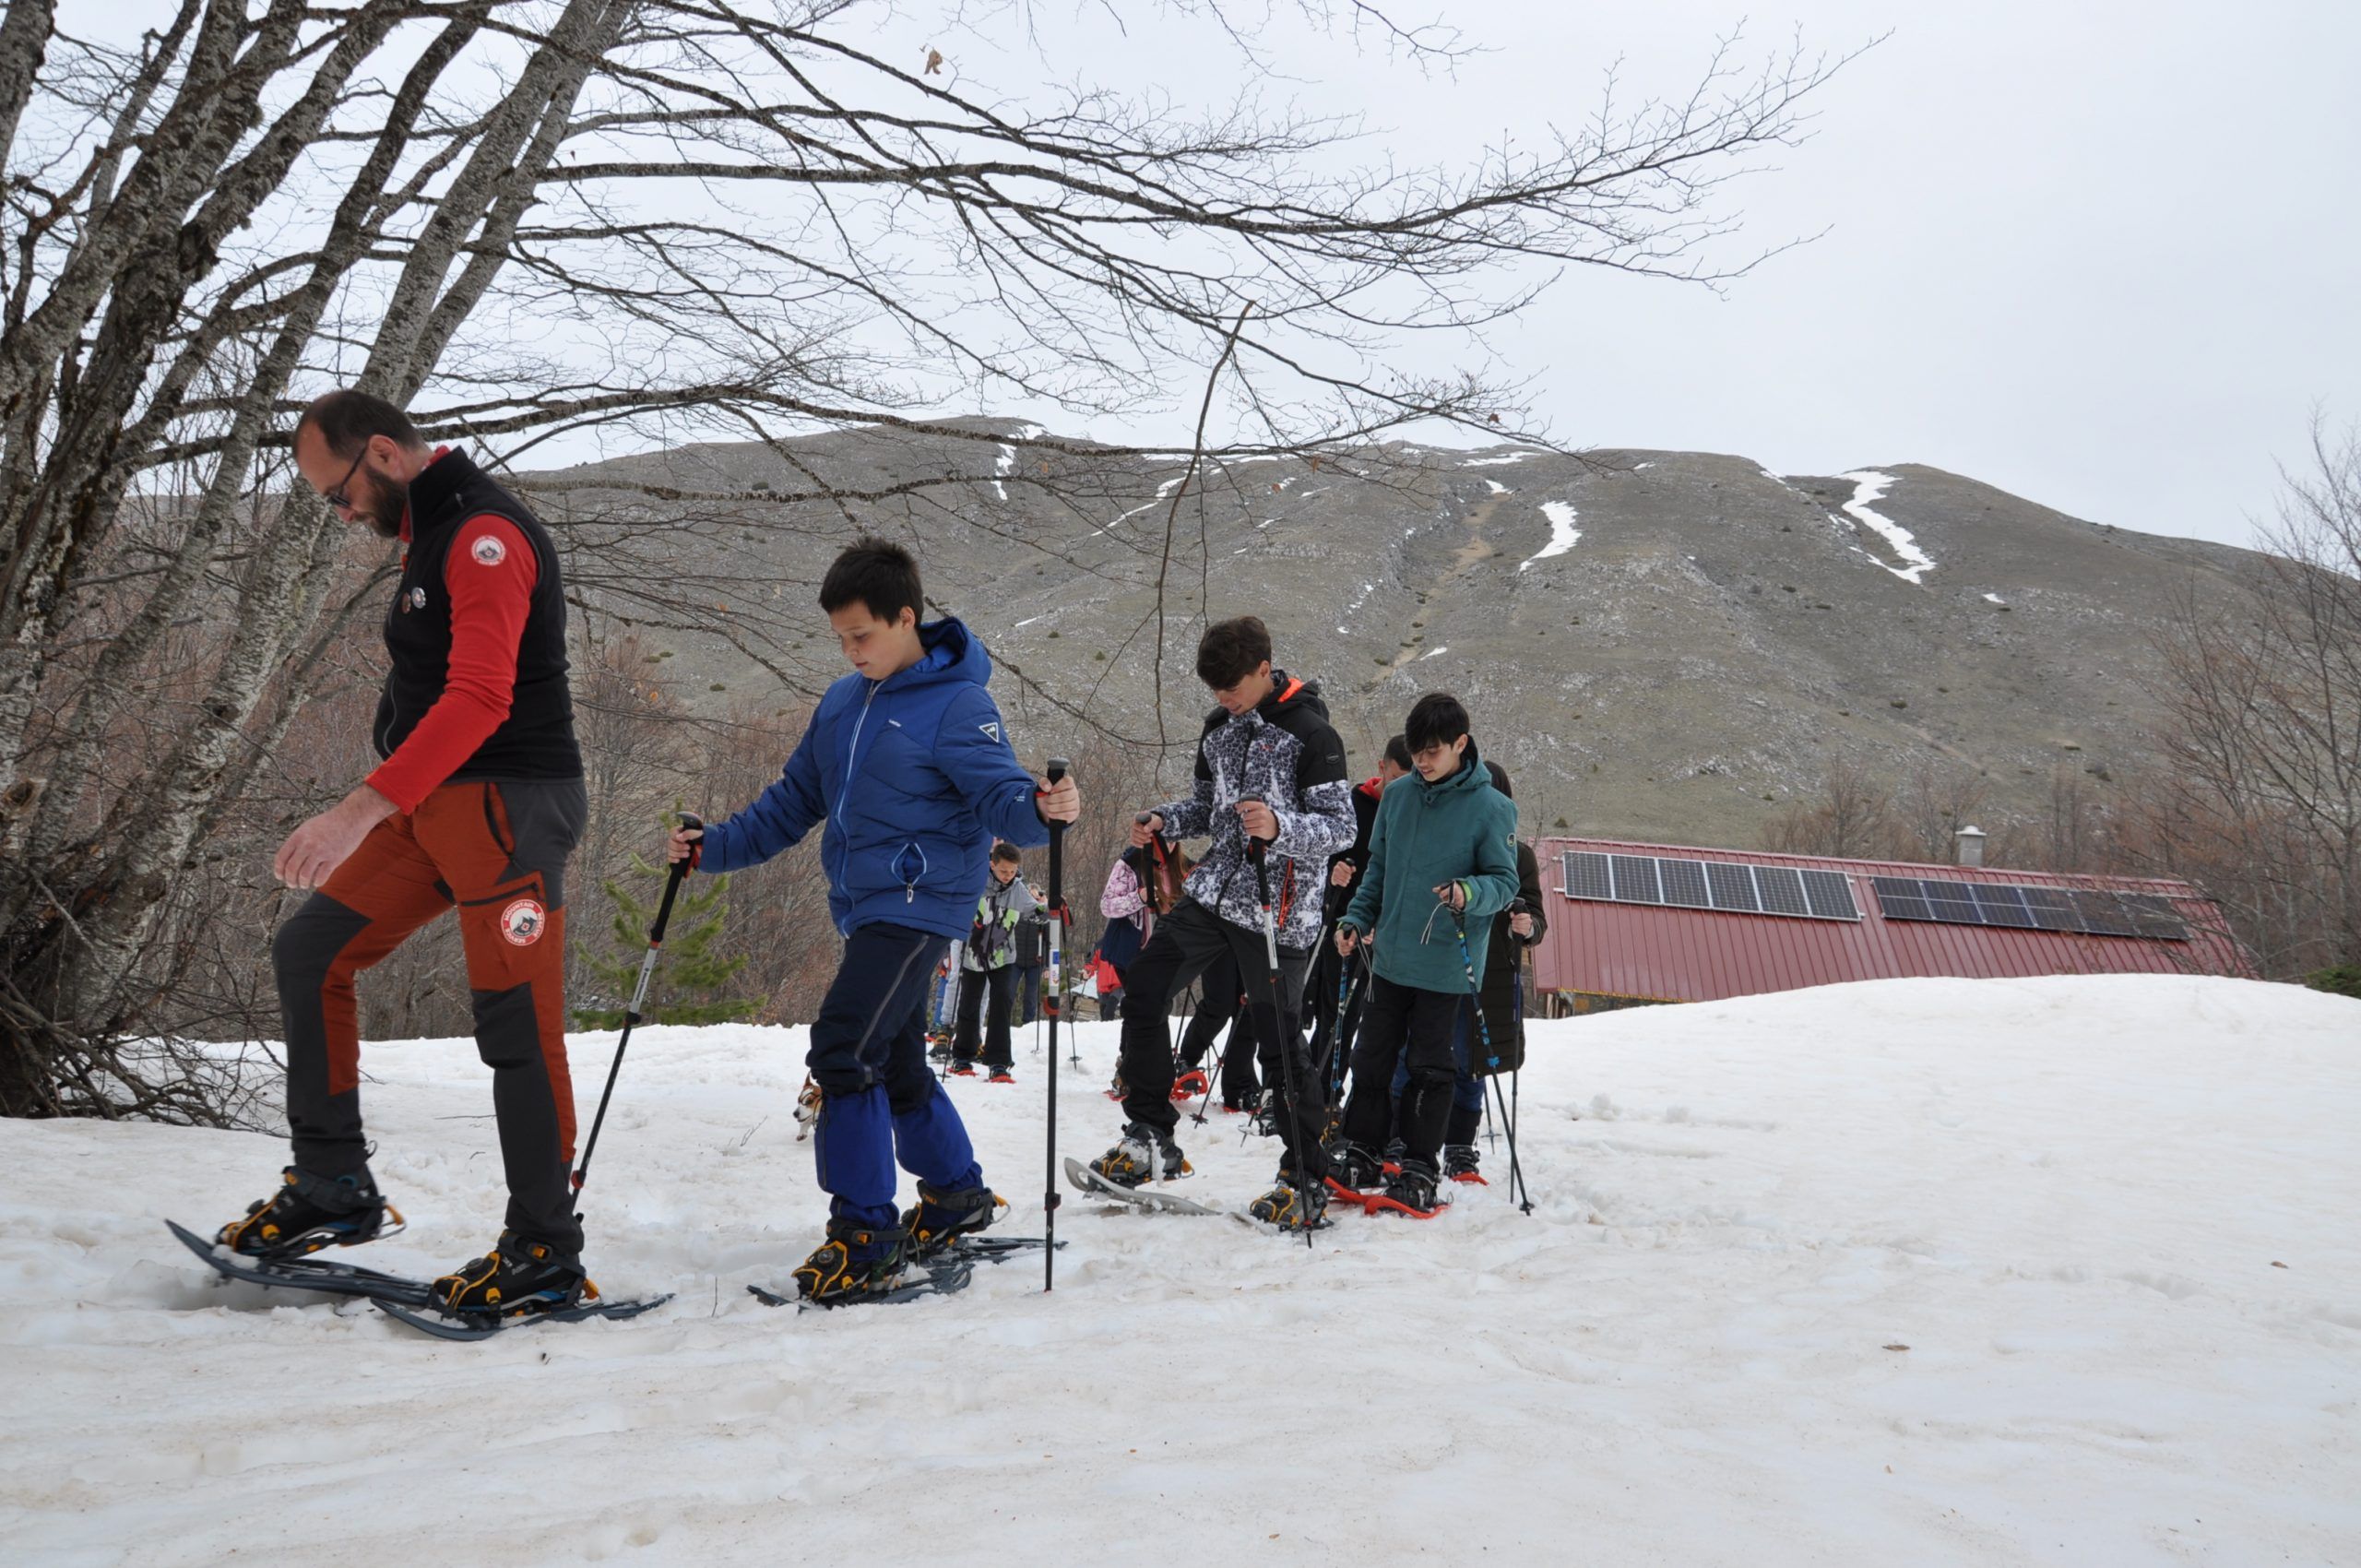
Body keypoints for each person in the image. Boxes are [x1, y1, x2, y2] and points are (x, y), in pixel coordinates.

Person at [212, 392, 594, 1319]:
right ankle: (334, 1182)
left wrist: (356, 809)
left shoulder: (482, 535)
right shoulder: (432, 535)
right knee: (312, 952)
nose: (339, 513)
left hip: (508, 807)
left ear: (382, 452)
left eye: (337, 491)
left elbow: (480, 697)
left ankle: (545, 1247)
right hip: (434, 810)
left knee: (514, 1023)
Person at [669, 538, 1079, 1302]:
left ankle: (865, 1231)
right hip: (866, 910)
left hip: (922, 907)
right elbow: (791, 804)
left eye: (863, 635)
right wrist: (709, 851)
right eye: (841, 639)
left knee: (842, 1049)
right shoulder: (841, 703)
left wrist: (1042, 809)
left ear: (906, 618)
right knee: (891, 1062)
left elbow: (1002, 800)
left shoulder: (958, 700)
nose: (852, 651)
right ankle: (956, 1196)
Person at [1086, 616, 1355, 1229]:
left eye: (1233, 688)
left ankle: (1306, 1172)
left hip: (1280, 905)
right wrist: (1164, 821)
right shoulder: (1218, 730)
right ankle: (1151, 1132)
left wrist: (1281, 828)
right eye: (1216, 692)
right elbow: (1207, 809)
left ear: (1265, 669)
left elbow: (1342, 828)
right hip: (1216, 892)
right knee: (1147, 983)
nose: (1225, 701)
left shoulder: (1313, 734)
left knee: (1280, 1039)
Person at [1331, 693, 1519, 1217]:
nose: (1423, 762)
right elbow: (1379, 871)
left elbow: (1504, 883)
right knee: (1371, 1057)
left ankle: (1418, 1167)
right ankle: (1361, 1152)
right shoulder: (1398, 797)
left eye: (1434, 751)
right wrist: (1356, 918)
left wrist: (1469, 893)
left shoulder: (1493, 808)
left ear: (1461, 743)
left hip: (1446, 966)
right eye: (1416, 752)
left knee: (1430, 1069)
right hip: (1390, 957)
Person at [1385, 761, 1548, 1183]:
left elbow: (1535, 916)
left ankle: (1460, 1147)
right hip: (1437, 964)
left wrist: (1526, 927)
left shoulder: (1520, 856)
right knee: (1413, 1053)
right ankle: (1400, 1137)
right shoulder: (1444, 842)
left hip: (1489, 974)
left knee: (1469, 1060)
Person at [1306, 733, 1411, 1099]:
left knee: (1384, 1025)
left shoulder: (1416, 813)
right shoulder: (1353, 804)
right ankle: (1316, 1094)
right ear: (1382, 768)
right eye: (1397, 779)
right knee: (1338, 1017)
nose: (1403, 789)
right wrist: (1333, 871)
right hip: (1346, 926)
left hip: (1393, 932)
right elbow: (1318, 857)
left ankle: (1361, 1103)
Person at [950, 842, 1037, 1081]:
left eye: (1012, 871)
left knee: (1002, 1006)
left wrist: (1052, 910)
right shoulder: (977, 883)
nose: (1008, 876)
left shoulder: (1017, 889)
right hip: (974, 955)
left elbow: (1034, 911)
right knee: (969, 1004)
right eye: (1003, 871)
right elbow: (958, 905)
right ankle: (962, 1056)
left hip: (1004, 958)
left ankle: (998, 1062)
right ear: (992, 865)